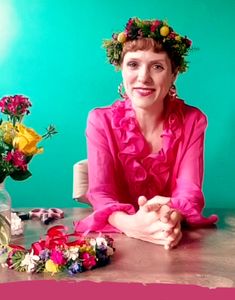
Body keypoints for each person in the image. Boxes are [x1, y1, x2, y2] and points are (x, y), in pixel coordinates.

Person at [75, 17, 218, 249]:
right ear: (121, 69)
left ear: (173, 75)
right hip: (117, 240)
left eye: (158, 66)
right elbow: (101, 193)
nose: (143, 78)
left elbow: (189, 190)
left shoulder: (193, 120)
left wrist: (171, 217)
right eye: (133, 64)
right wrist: (131, 224)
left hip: (169, 237)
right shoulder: (100, 121)